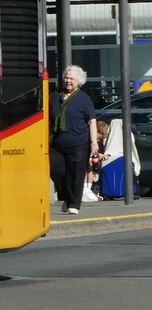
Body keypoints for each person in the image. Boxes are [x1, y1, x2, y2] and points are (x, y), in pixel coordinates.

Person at [50, 64, 98, 215]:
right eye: (66, 77)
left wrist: (94, 143)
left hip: (79, 143)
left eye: (71, 78)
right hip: (57, 143)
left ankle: (74, 204)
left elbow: (92, 121)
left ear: (79, 81)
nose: (68, 81)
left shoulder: (84, 99)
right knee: (57, 170)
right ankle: (65, 196)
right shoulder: (56, 96)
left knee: (76, 174)